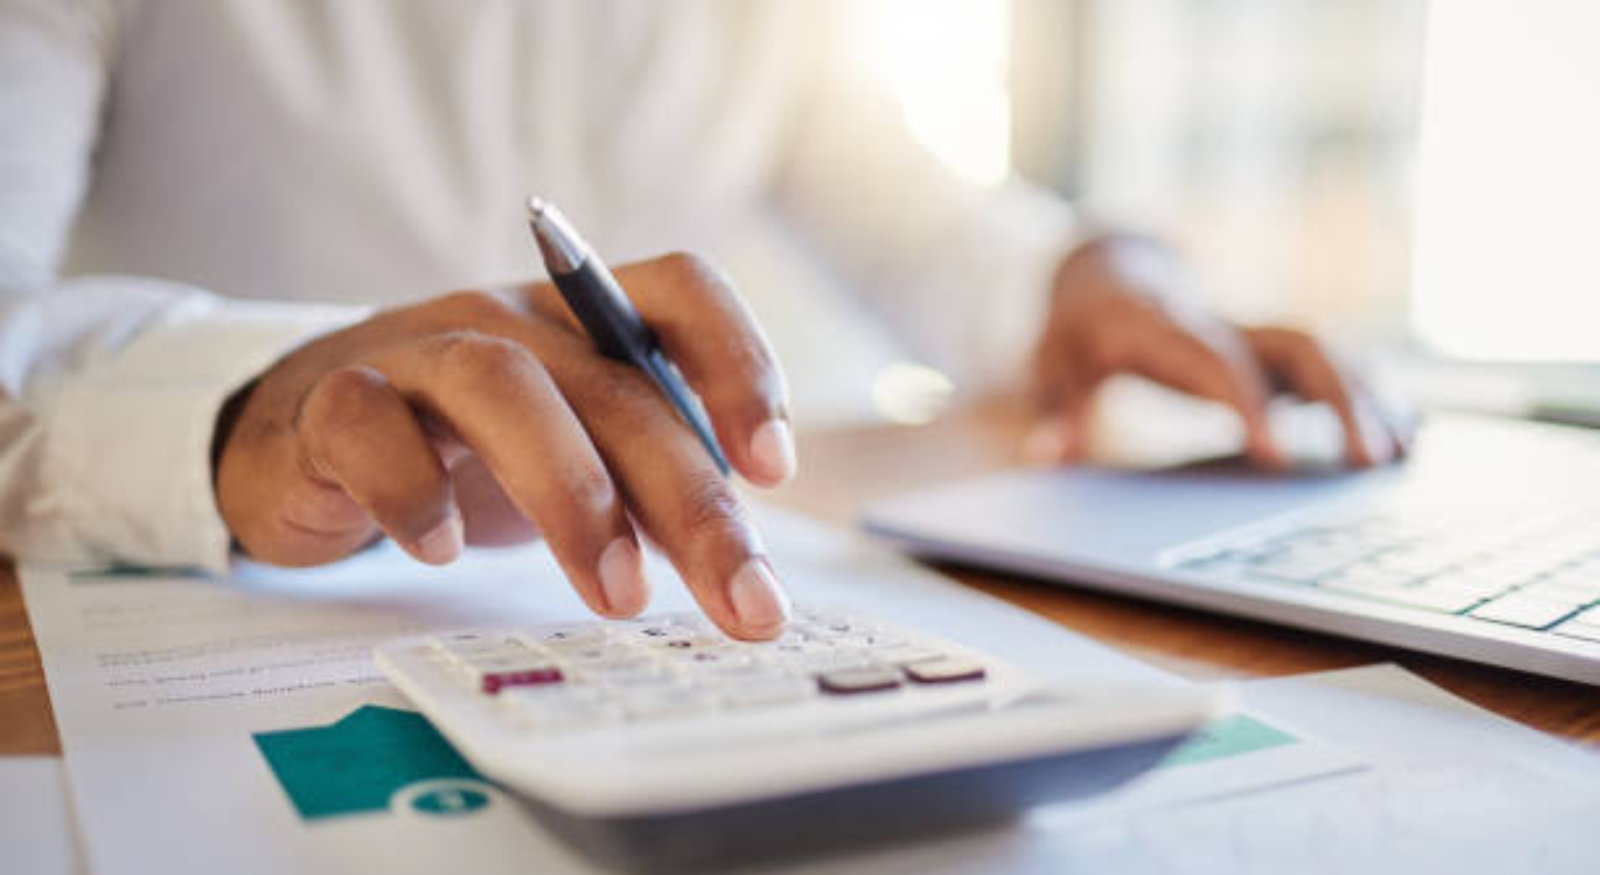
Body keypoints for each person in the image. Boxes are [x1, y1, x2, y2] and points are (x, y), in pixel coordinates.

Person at [0, 1, 1405, 640]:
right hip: (221, 624)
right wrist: (241, 407)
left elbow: (920, 221)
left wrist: (1091, 280)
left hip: (659, 620)